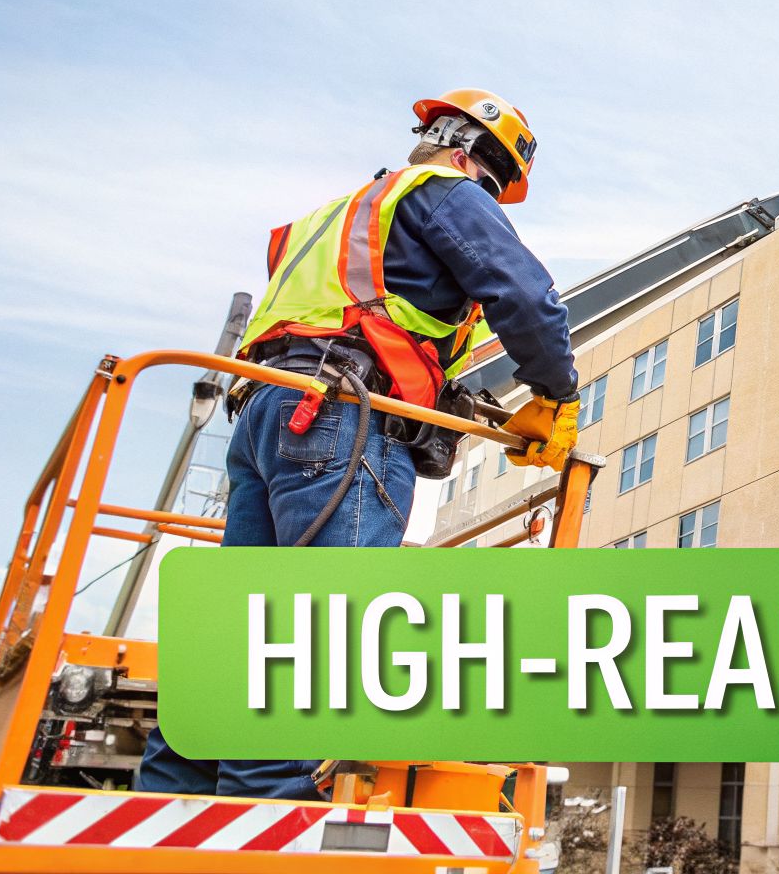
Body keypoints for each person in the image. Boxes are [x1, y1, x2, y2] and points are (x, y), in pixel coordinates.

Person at [135, 89, 581, 801]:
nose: (488, 197)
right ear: (469, 154)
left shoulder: (338, 217)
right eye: (494, 184)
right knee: (321, 624)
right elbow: (526, 298)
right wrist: (556, 395)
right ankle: (268, 815)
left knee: (241, 624)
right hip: (340, 418)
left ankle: (166, 802)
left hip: (267, 414)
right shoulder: (444, 191)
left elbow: (372, 316)